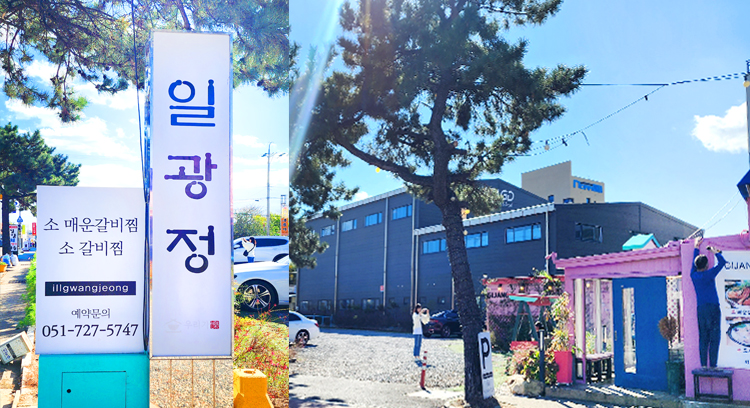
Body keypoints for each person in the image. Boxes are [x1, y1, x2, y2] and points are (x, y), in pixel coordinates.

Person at [690, 236, 726, 368]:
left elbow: (693, 265)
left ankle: (704, 364)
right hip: (713, 308)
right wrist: (715, 252)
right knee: (714, 336)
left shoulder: (693, 276)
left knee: (703, 337)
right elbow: (722, 263)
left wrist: (696, 247)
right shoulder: (709, 274)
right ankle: (713, 365)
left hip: (701, 309)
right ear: (706, 266)